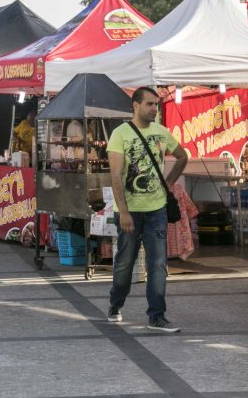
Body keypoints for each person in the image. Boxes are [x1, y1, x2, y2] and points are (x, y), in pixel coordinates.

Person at [106, 86, 189, 333]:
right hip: (130, 210)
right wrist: (124, 212)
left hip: (156, 209)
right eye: (149, 104)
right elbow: (116, 176)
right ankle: (115, 304)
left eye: (156, 105)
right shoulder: (120, 134)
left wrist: (170, 182)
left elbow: (182, 156)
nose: (154, 109)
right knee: (125, 262)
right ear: (136, 105)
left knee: (157, 263)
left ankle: (156, 316)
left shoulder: (161, 132)